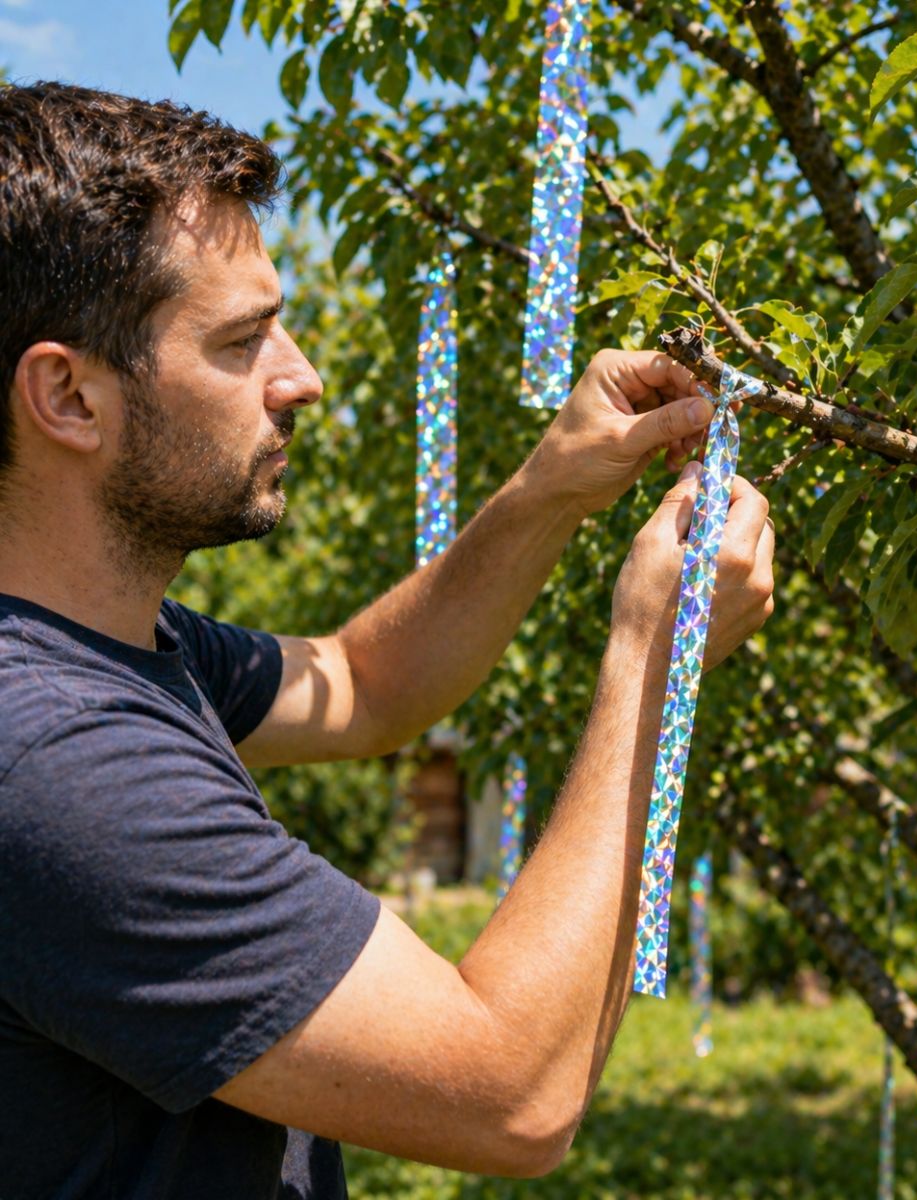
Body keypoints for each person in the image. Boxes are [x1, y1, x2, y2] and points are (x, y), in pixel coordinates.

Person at [0, 81, 775, 1199]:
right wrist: (653, 665)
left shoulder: (126, 647)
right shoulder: (61, 763)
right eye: (242, 340)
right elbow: (512, 1098)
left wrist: (550, 488)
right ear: (68, 396)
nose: (301, 377)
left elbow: (369, 685)